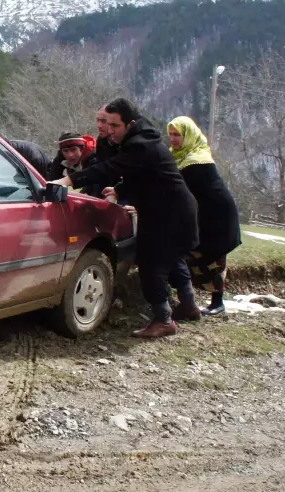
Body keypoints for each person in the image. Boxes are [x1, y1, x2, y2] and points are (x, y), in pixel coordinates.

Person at [53, 98, 199, 338]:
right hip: (170, 210)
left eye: (114, 125)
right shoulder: (139, 139)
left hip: (169, 214)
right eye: (104, 123)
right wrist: (120, 191)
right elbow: (141, 174)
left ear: (129, 124)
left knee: (152, 266)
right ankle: (189, 305)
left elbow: (111, 168)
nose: (108, 130)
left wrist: (68, 181)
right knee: (170, 261)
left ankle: (164, 320)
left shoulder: (142, 145)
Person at [167, 116, 242, 316]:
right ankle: (185, 297)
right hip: (203, 213)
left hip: (218, 215)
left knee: (214, 257)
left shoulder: (195, 160)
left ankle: (217, 303)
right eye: (171, 134)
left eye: (178, 135)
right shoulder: (178, 155)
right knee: (191, 253)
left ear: (189, 136)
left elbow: (174, 187)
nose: (173, 139)